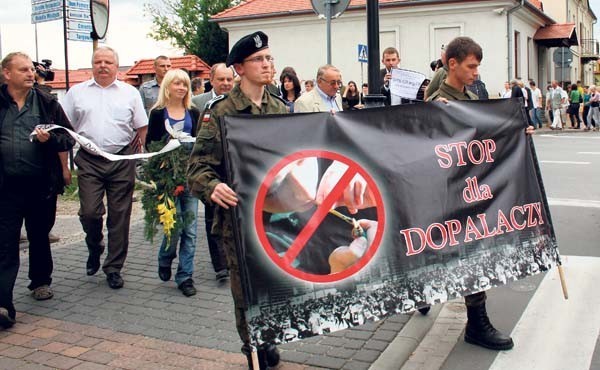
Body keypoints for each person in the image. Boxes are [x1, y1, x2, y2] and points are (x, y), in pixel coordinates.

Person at [187, 31, 287, 369]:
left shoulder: (279, 107)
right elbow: (197, 167)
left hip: (277, 215)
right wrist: (213, 187)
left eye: (269, 58)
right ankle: (253, 350)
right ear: (239, 68)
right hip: (239, 219)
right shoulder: (221, 112)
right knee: (245, 292)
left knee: (276, 283)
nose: (267, 64)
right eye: (259, 59)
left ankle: (270, 338)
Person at [428, 36, 533, 351]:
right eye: (471, 66)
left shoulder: (470, 95)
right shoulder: (439, 101)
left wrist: (518, 132)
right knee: (464, 257)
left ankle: (473, 320)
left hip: (473, 191)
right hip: (451, 196)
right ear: (453, 64)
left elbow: (486, 136)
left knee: (470, 255)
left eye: (477, 67)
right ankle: (476, 324)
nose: (476, 72)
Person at [61, 47, 148, 289]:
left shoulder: (130, 93)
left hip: (121, 159)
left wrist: (142, 155)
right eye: (98, 61)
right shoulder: (76, 93)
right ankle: (94, 244)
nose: (102, 65)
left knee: (120, 217)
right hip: (89, 159)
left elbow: (141, 126)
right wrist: (64, 166)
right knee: (89, 212)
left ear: (116, 66)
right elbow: (65, 128)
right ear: (92, 65)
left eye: (108, 61)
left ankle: (113, 267)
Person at [0, 52, 75, 328]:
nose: (31, 74)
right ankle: (4, 303)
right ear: (7, 74)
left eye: (32, 69)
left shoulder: (46, 102)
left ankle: (40, 281)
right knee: (5, 242)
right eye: (23, 70)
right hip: (6, 186)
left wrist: (49, 139)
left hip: (39, 184)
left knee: (39, 235)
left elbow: (67, 136)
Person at [145, 69, 201, 296]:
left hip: (189, 178)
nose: (181, 88)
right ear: (167, 86)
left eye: (185, 84)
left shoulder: (193, 112)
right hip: (167, 177)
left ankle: (185, 276)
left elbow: (199, 144)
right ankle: (166, 256)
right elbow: (151, 146)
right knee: (173, 225)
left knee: (191, 230)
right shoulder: (158, 113)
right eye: (177, 83)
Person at [190, 62, 234, 282]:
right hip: (212, 169)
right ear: (212, 80)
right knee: (211, 216)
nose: (226, 84)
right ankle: (220, 265)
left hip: (234, 169)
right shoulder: (198, 103)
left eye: (229, 79)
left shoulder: (237, 102)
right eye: (221, 79)